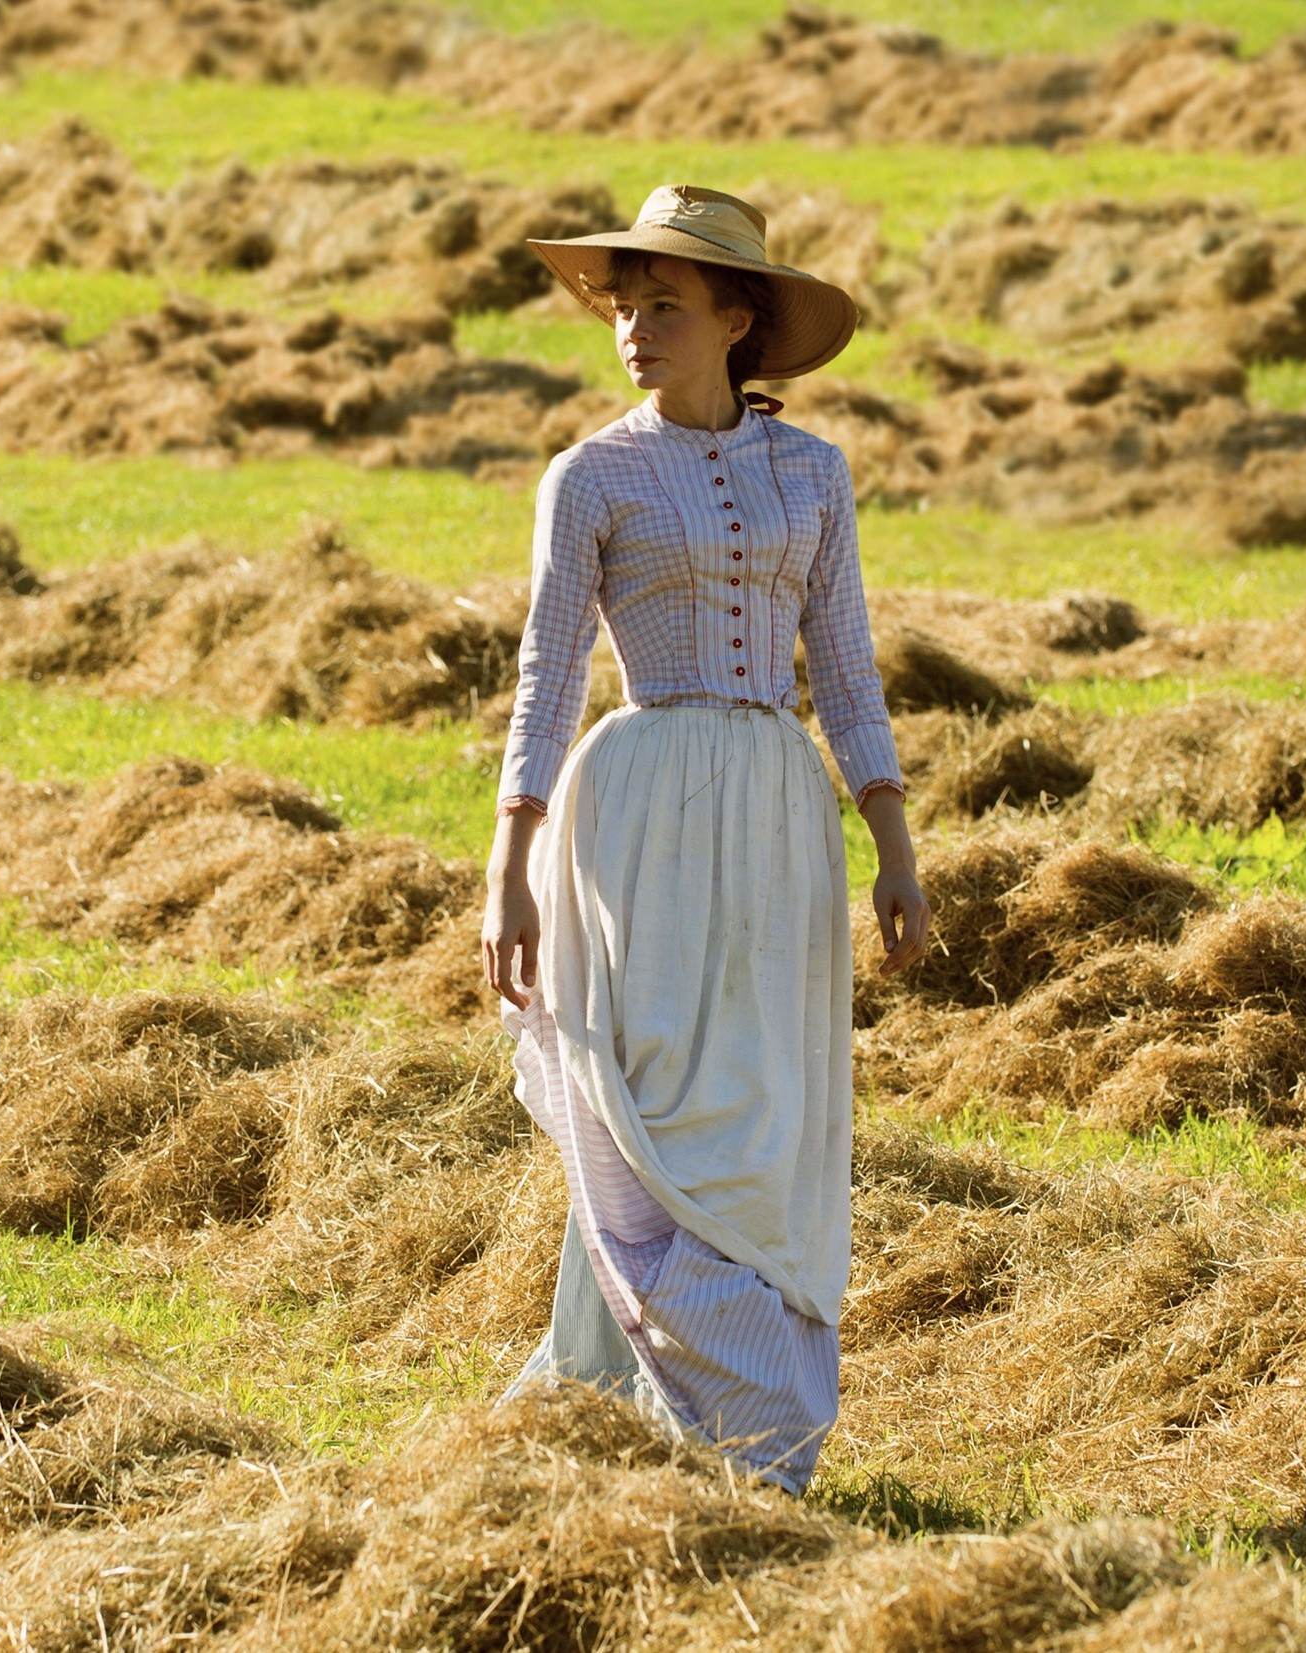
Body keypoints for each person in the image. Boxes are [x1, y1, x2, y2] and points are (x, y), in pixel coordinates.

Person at [481, 183, 931, 1494]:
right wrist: (508, 869)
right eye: (624, 303)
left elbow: (843, 668)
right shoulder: (591, 478)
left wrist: (893, 841)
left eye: (664, 303)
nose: (634, 327)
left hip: (782, 819)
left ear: (738, 318)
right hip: (635, 813)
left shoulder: (815, 473)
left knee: (761, 1107)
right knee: (658, 1094)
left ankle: (744, 1416)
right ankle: (685, 1396)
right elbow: (548, 673)